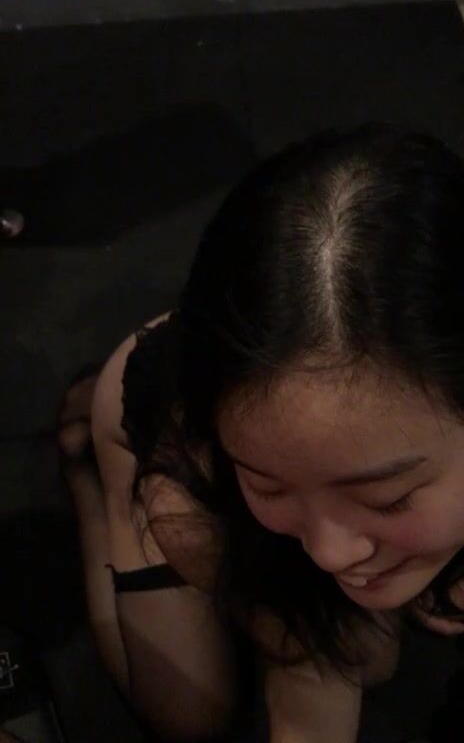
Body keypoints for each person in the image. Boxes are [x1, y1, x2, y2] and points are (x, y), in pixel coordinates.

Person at [59, 123, 464, 743]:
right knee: (192, 720)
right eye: (268, 486)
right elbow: (313, 681)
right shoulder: (193, 503)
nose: (328, 554)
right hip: (156, 434)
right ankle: (92, 475)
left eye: (387, 498)